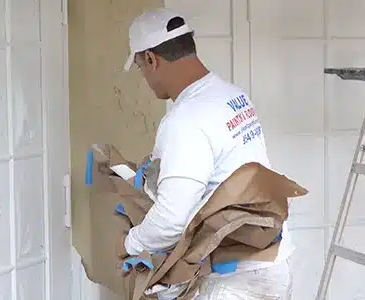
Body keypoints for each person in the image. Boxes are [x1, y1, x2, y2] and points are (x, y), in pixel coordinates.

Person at [120, 8, 294, 300]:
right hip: (270, 260)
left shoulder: (184, 118)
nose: (145, 78)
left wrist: (129, 244)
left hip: (234, 280)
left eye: (140, 67)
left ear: (151, 59)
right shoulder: (231, 95)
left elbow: (172, 218)